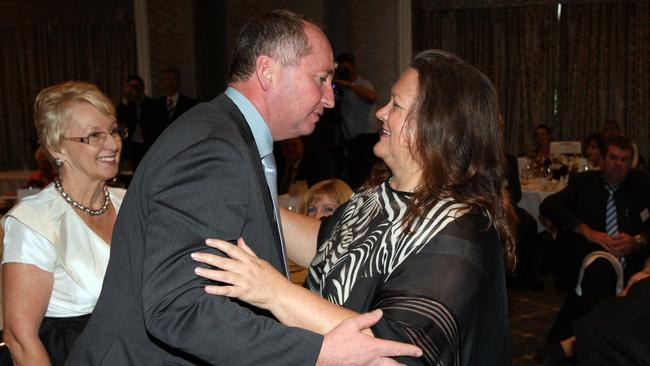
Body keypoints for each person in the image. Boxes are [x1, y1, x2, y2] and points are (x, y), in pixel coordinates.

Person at [67, 10, 421, 365]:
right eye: (321, 78)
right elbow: (177, 304)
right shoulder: (214, 148)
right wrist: (317, 352)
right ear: (267, 71)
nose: (330, 98)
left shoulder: (226, 135)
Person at [193, 49, 517, 365]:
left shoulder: (458, 232)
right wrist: (249, 200)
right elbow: (330, 246)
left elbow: (389, 354)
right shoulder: (382, 192)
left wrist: (275, 293)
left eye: (397, 105)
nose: (380, 112)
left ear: (436, 127)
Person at [1, 81, 127, 365]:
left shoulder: (129, 202)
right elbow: (20, 338)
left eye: (114, 130)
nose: (113, 143)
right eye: (94, 135)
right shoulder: (34, 220)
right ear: (57, 148)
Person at [540, 136, 650, 351]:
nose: (619, 165)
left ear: (632, 162)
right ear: (602, 158)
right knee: (599, 272)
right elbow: (549, 205)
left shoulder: (642, 184)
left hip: (634, 259)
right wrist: (586, 230)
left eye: (625, 160)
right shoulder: (584, 183)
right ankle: (590, 344)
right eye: (613, 158)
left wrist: (637, 241)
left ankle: (581, 344)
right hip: (594, 256)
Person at [334, 53, 379, 189]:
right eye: (340, 69)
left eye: (346, 68)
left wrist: (349, 85)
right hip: (350, 140)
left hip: (367, 137)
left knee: (367, 176)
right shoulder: (338, 87)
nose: (343, 71)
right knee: (353, 177)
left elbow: (372, 97)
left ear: (353, 68)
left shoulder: (362, 83)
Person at [116, 75, 160, 169]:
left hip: (149, 146)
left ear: (143, 88)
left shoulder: (154, 104)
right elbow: (118, 119)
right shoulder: (127, 106)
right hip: (132, 148)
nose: (134, 89)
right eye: (131, 87)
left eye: (136, 86)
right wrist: (125, 98)